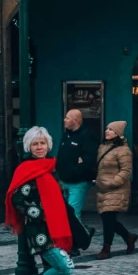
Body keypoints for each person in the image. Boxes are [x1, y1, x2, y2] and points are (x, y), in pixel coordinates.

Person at [5, 125, 76, 275]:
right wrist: (40, 213)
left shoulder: (51, 168)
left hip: (57, 227)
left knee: (52, 273)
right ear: (29, 146)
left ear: (48, 145)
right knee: (63, 268)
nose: (39, 147)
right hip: (40, 230)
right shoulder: (26, 170)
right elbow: (17, 198)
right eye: (35, 144)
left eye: (42, 143)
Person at [54, 107, 100, 253]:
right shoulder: (65, 136)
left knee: (73, 213)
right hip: (64, 181)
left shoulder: (87, 137)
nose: (64, 120)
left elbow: (88, 161)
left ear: (76, 120)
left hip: (78, 182)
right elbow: (61, 157)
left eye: (67, 118)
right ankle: (85, 230)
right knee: (65, 214)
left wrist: (73, 171)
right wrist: (60, 176)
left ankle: (74, 245)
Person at [93, 120, 137, 259]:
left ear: (117, 133)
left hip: (116, 188)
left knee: (108, 218)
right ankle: (128, 237)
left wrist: (113, 182)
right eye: (106, 128)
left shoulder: (124, 150)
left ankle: (106, 249)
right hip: (102, 188)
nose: (107, 131)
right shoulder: (102, 147)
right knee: (108, 218)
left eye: (111, 129)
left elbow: (126, 171)